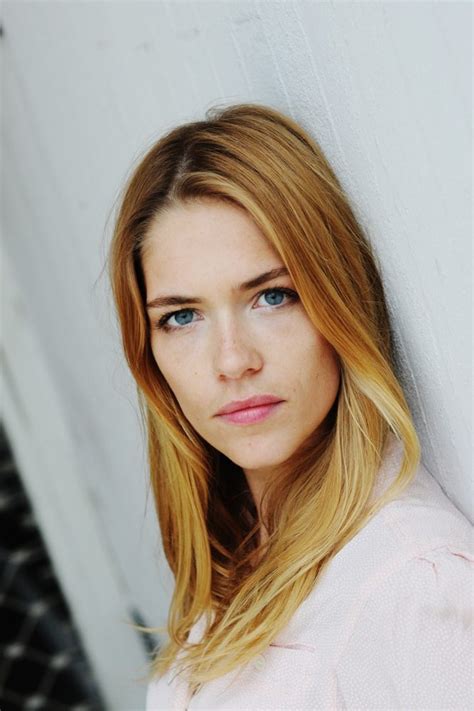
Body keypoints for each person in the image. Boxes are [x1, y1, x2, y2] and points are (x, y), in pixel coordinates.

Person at [107, 103, 473, 710]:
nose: (232, 361)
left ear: (338, 300)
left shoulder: (416, 588)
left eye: (273, 297)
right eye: (182, 316)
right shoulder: (235, 559)